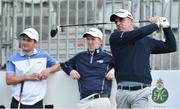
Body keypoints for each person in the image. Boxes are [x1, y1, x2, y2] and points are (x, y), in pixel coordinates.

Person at [109, 9, 177, 108]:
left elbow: (171, 47)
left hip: (141, 91)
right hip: (122, 92)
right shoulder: (115, 37)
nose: (118, 23)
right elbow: (136, 34)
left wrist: (166, 27)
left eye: (121, 20)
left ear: (131, 20)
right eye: (116, 21)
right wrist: (156, 24)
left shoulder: (146, 41)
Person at [6, 28, 60, 109]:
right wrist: (29, 77)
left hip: (37, 101)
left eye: (28, 40)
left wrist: (48, 70)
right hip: (17, 101)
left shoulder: (44, 55)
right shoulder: (12, 59)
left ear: (35, 42)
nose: (24, 42)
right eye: (23, 39)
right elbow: (9, 80)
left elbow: (58, 66)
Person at [61, 27, 115, 109]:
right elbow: (64, 65)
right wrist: (71, 71)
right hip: (83, 101)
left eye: (93, 39)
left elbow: (124, 64)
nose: (90, 42)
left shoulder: (108, 56)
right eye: (88, 39)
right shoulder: (80, 56)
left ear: (100, 41)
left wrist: (114, 70)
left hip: (101, 100)